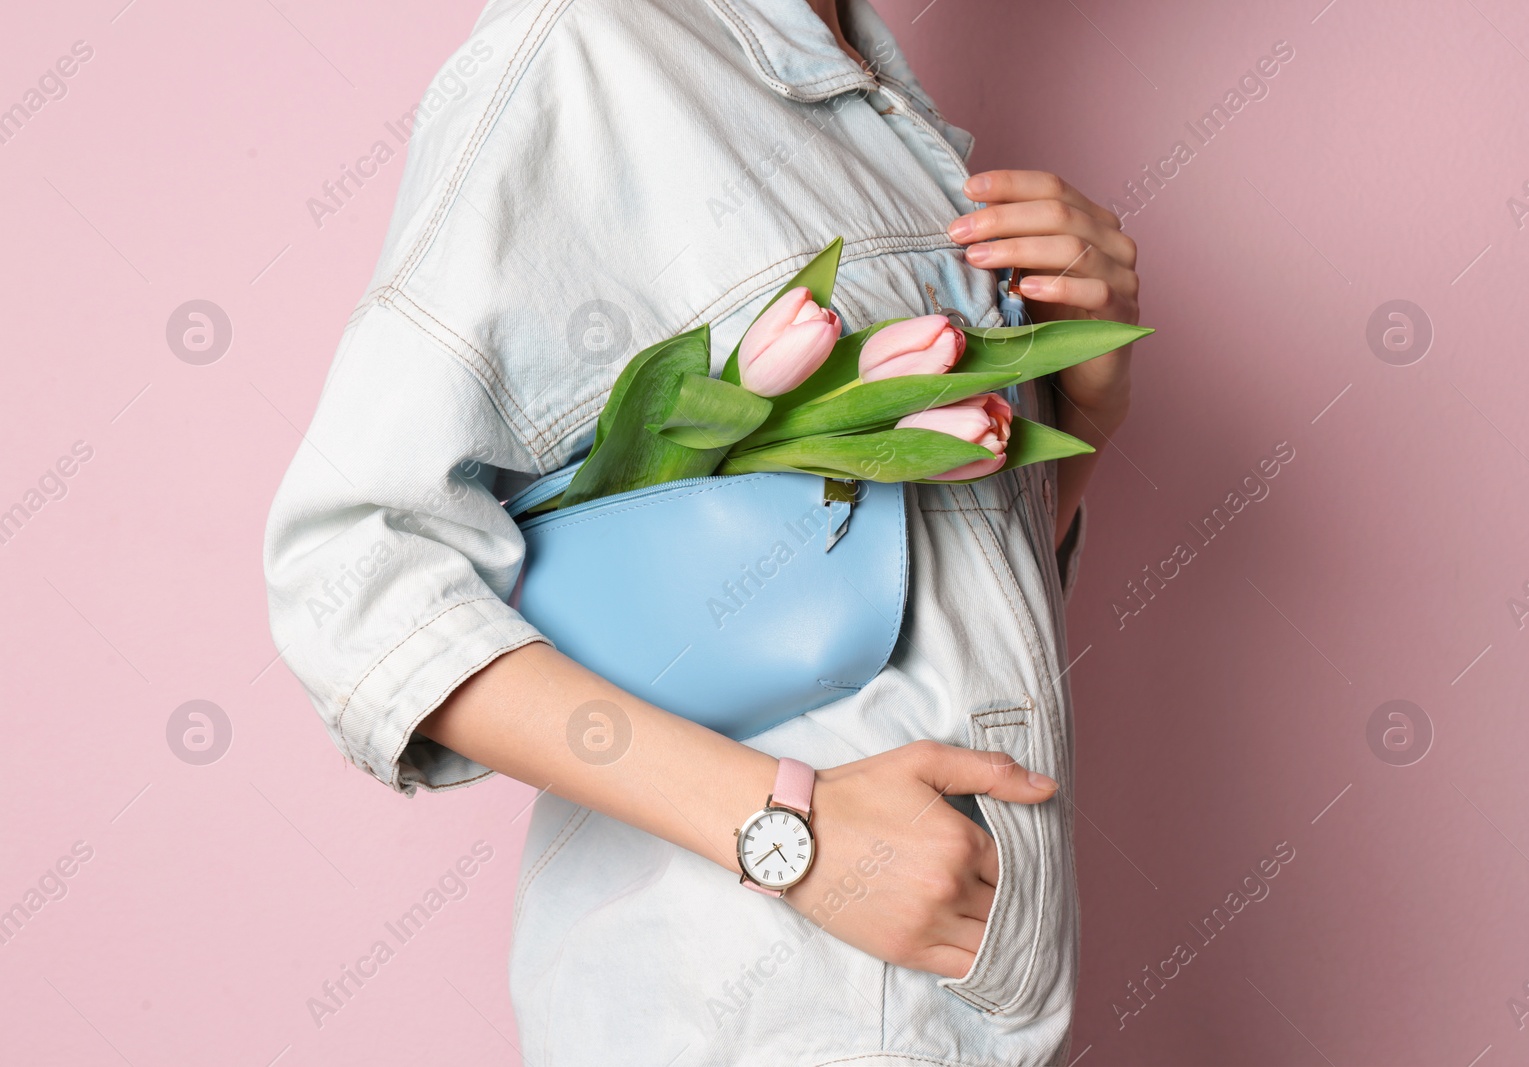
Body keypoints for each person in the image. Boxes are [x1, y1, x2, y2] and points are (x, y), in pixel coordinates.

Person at [263, 0, 1140, 1062]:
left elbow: (922, 600)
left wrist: (1081, 412)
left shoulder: (881, 112)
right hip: (744, 1004)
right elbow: (353, 571)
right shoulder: (588, 50)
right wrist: (794, 837)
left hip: (954, 1008)